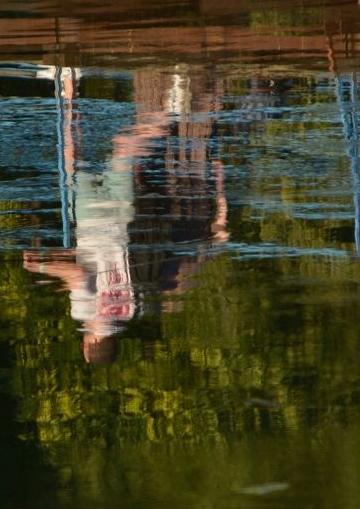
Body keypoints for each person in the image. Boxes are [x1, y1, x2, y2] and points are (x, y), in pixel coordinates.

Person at [24, 67, 230, 363]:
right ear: (87, 346)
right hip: (92, 219)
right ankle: (70, 86)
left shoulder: (132, 310)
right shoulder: (86, 314)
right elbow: (79, 275)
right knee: (72, 155)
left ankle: (171, 110)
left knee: (123, 148)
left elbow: (100, 267)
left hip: (121, 218)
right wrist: (43, 266)